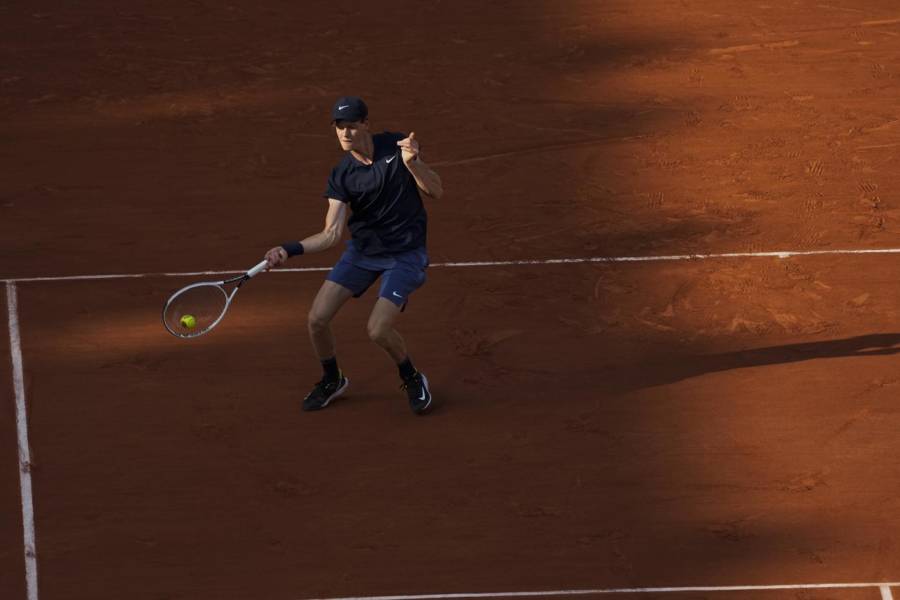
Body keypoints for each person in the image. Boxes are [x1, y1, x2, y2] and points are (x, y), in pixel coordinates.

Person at [264, 96, 443, 415]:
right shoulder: (343, 174)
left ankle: (412, 377)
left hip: (405, 255)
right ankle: (332, 379)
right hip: (362, 253)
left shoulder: (396, 147)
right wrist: (288, 249)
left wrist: (413, 163)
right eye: (339, 127)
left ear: (366, 125)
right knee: (317, 319)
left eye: (351, 126)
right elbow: (331, 234)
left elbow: (436, 191)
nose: (345, 133)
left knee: (378, 330)